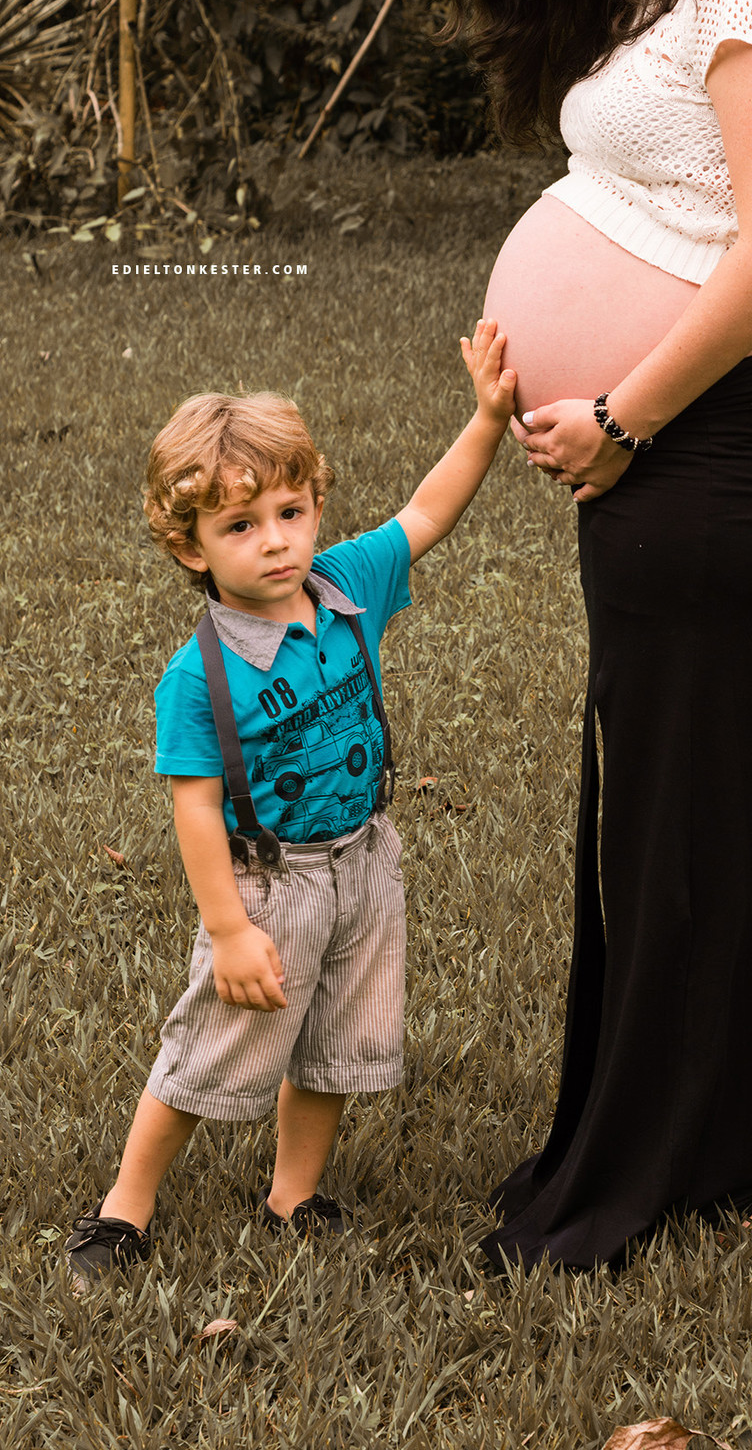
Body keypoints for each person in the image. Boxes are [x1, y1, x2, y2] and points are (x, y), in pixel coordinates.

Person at [442, 0, 752, 1272]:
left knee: (681, 807)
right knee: (687, 793)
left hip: (713, 449)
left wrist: (615, 413)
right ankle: (732, 1092)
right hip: (666, 453)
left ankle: (662, 1157)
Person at [64, 324, 516, 1285]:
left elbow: (428, 512)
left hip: (364, 859)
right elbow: (193, 809)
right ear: (189, 548)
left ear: (315, 508)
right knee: (210, 1047)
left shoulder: (344, 584)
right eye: (239, 527)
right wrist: (228, 930)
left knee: (336, 1046)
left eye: (290, 511)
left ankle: (293, 1194)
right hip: (270, 885)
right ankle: (124, 1208)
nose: (274, 541)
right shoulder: (200, 676)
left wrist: (485, 419)